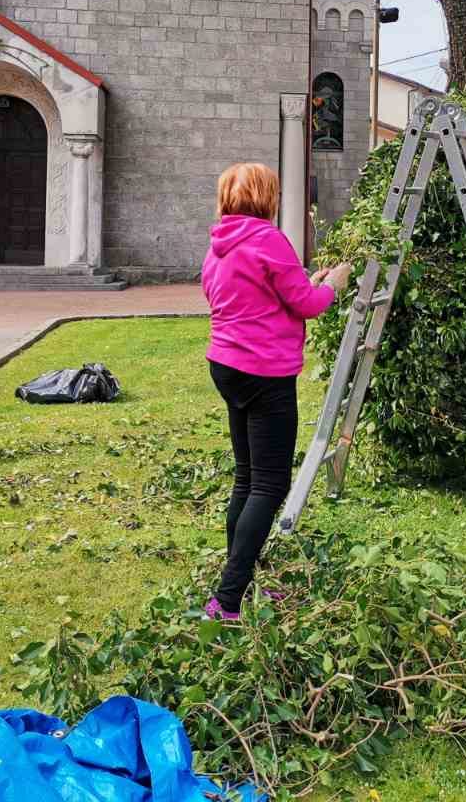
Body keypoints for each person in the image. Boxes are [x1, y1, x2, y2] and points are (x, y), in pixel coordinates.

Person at [200, 162, 351, 621]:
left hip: (226, 366)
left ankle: (240, 587)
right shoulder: (268, 239)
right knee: (269, 484)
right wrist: (334, 286)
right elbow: (307, 304)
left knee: (247, 479)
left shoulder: (219, 245)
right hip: (265, 373)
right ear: (267, 197)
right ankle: (227, 601)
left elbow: (256, 293)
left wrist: (307, 278)